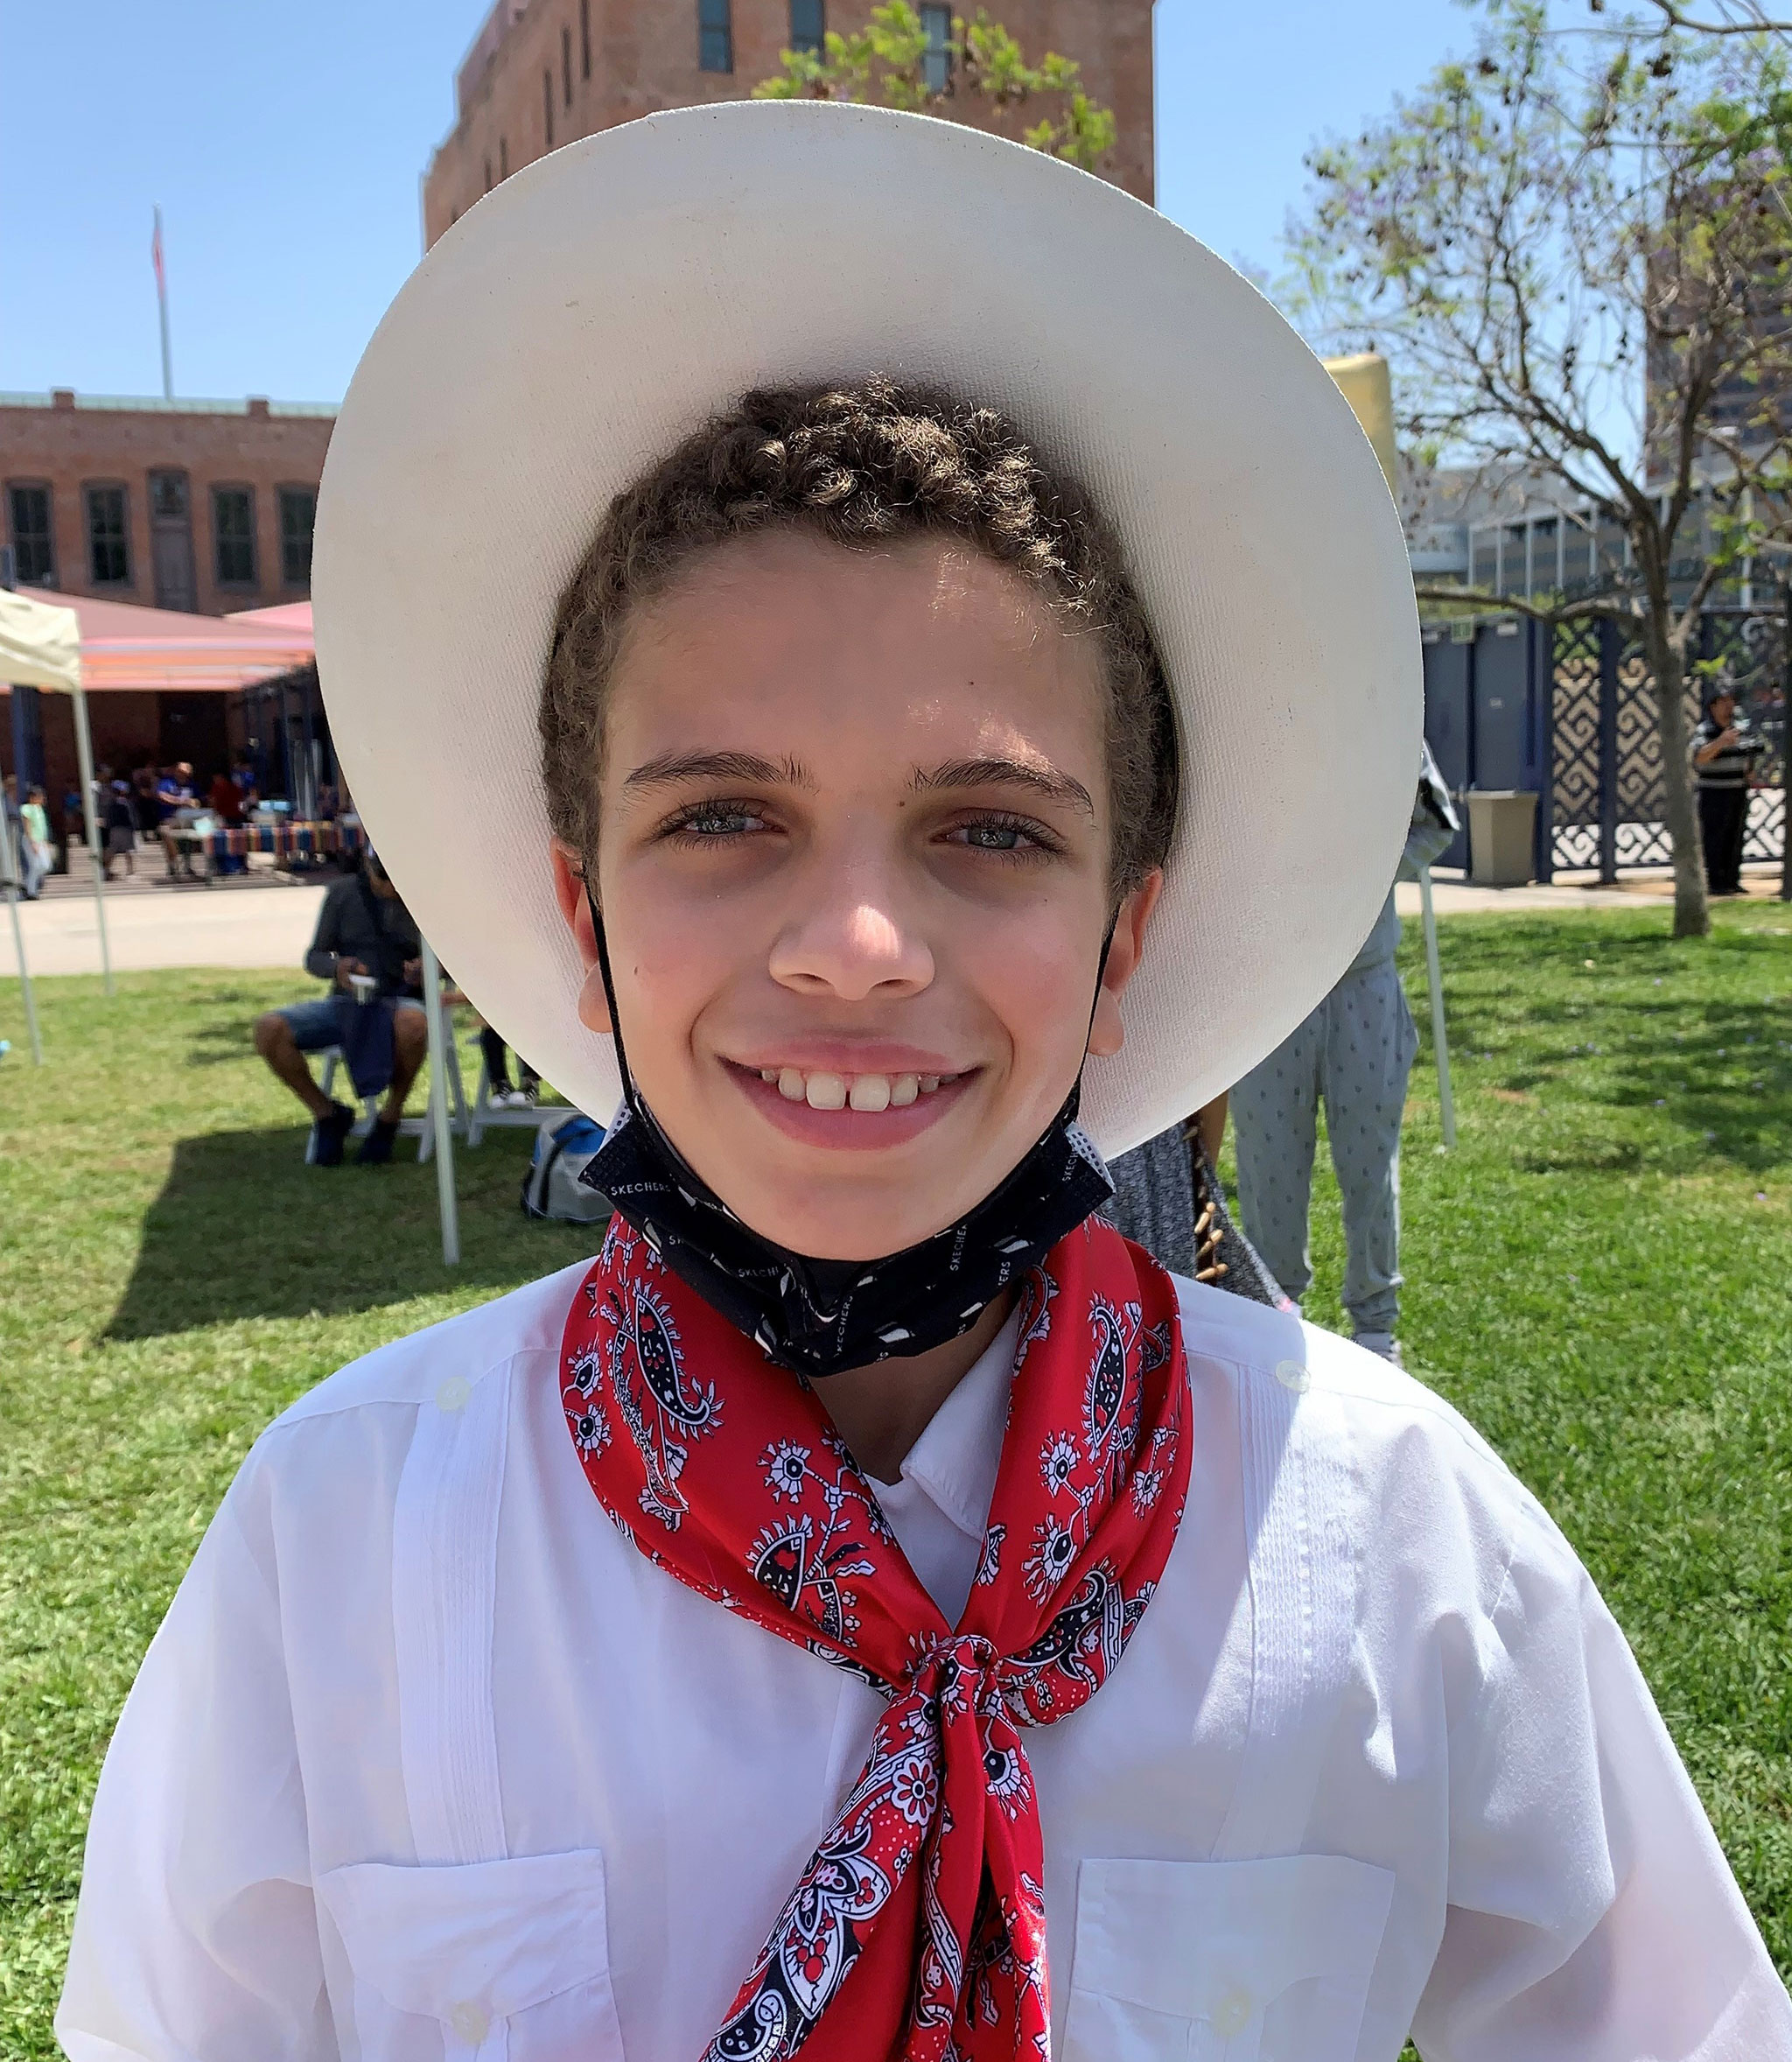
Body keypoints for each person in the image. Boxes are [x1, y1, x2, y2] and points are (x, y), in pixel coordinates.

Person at [60, 108, 1791, 2062]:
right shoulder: (350, 1546)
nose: (859, 943)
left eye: (987, 828)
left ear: (1126, 930)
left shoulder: (1387, 1539)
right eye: (724, 815)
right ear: (582, 914)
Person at [1230, 742, 1459, 1365]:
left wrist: (1368, 872)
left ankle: (1376, 1328)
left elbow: (1437, 820)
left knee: (1370, 1160)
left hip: (1363, 984)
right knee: (1268, 1163)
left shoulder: (1379, 709)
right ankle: (1276, 1314)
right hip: (1272, 991)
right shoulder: (1249, 718)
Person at [250, 851, 429, 1166]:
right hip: (348, 1002)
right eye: (382, 877)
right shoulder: (342, 894)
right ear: (367, 867)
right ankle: (327, 1113)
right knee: (269, 1028)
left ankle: (390, 1116)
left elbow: (455, 963)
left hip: (401, 999)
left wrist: (427, 968)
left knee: (412, 1024)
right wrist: (338, 968)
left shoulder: (427, 897)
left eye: (396, 877)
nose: (391, 887)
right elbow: (314, 957)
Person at [1691, 685, 1767, 897]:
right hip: (1713, 791)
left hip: (1737, 790)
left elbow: (1751, 750)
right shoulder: (1705, 731)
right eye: (1723, 702)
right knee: (1714, 837)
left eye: (1731, 701)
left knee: (1735, 837)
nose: (1728, 707)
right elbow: (1699, 757)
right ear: (1713, 706)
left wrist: (1750, 770)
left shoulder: (1741, 729)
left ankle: (1732, 880)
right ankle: (1715, 882)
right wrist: (1720, 742)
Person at [20, 782, 52, 899]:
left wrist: (45, 840)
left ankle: (27, 885)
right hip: (31, 840)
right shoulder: (26, 808)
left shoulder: (40, 809)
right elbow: (27, 826)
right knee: (35, 865)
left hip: (41, 840)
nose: (42, 799)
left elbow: (42, 826)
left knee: (45, 865)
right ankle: (31, 891)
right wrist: (32, 841)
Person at [102, 777, 138, 880]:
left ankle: (105, 870)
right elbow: (131, 817)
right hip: (126, 829)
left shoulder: (111, 803)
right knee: (129, 850)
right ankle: (131, 872)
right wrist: (134, 827)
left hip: (114, 829)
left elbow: (109, 817)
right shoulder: (125, 803)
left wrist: (108, 826)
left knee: (112, 849)